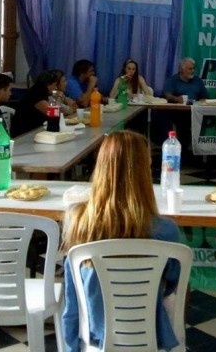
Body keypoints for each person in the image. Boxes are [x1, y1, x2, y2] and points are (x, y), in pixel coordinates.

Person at [61, 130, 182, 352]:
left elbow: (72, 297)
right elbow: (175, 281)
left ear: (101, 168)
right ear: (144, 173)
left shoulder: (78, 222)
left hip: (96, 335)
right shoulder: (166, 231)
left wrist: (71, 347)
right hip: (149, 333)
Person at [13, 69, 62, 136]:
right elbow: (54, 113)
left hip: (34, 129)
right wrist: (58, 98)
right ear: (48, 85)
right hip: (24, 133)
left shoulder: (40, 92)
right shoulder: (36, 95)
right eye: (54, 85)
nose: (56, 88)